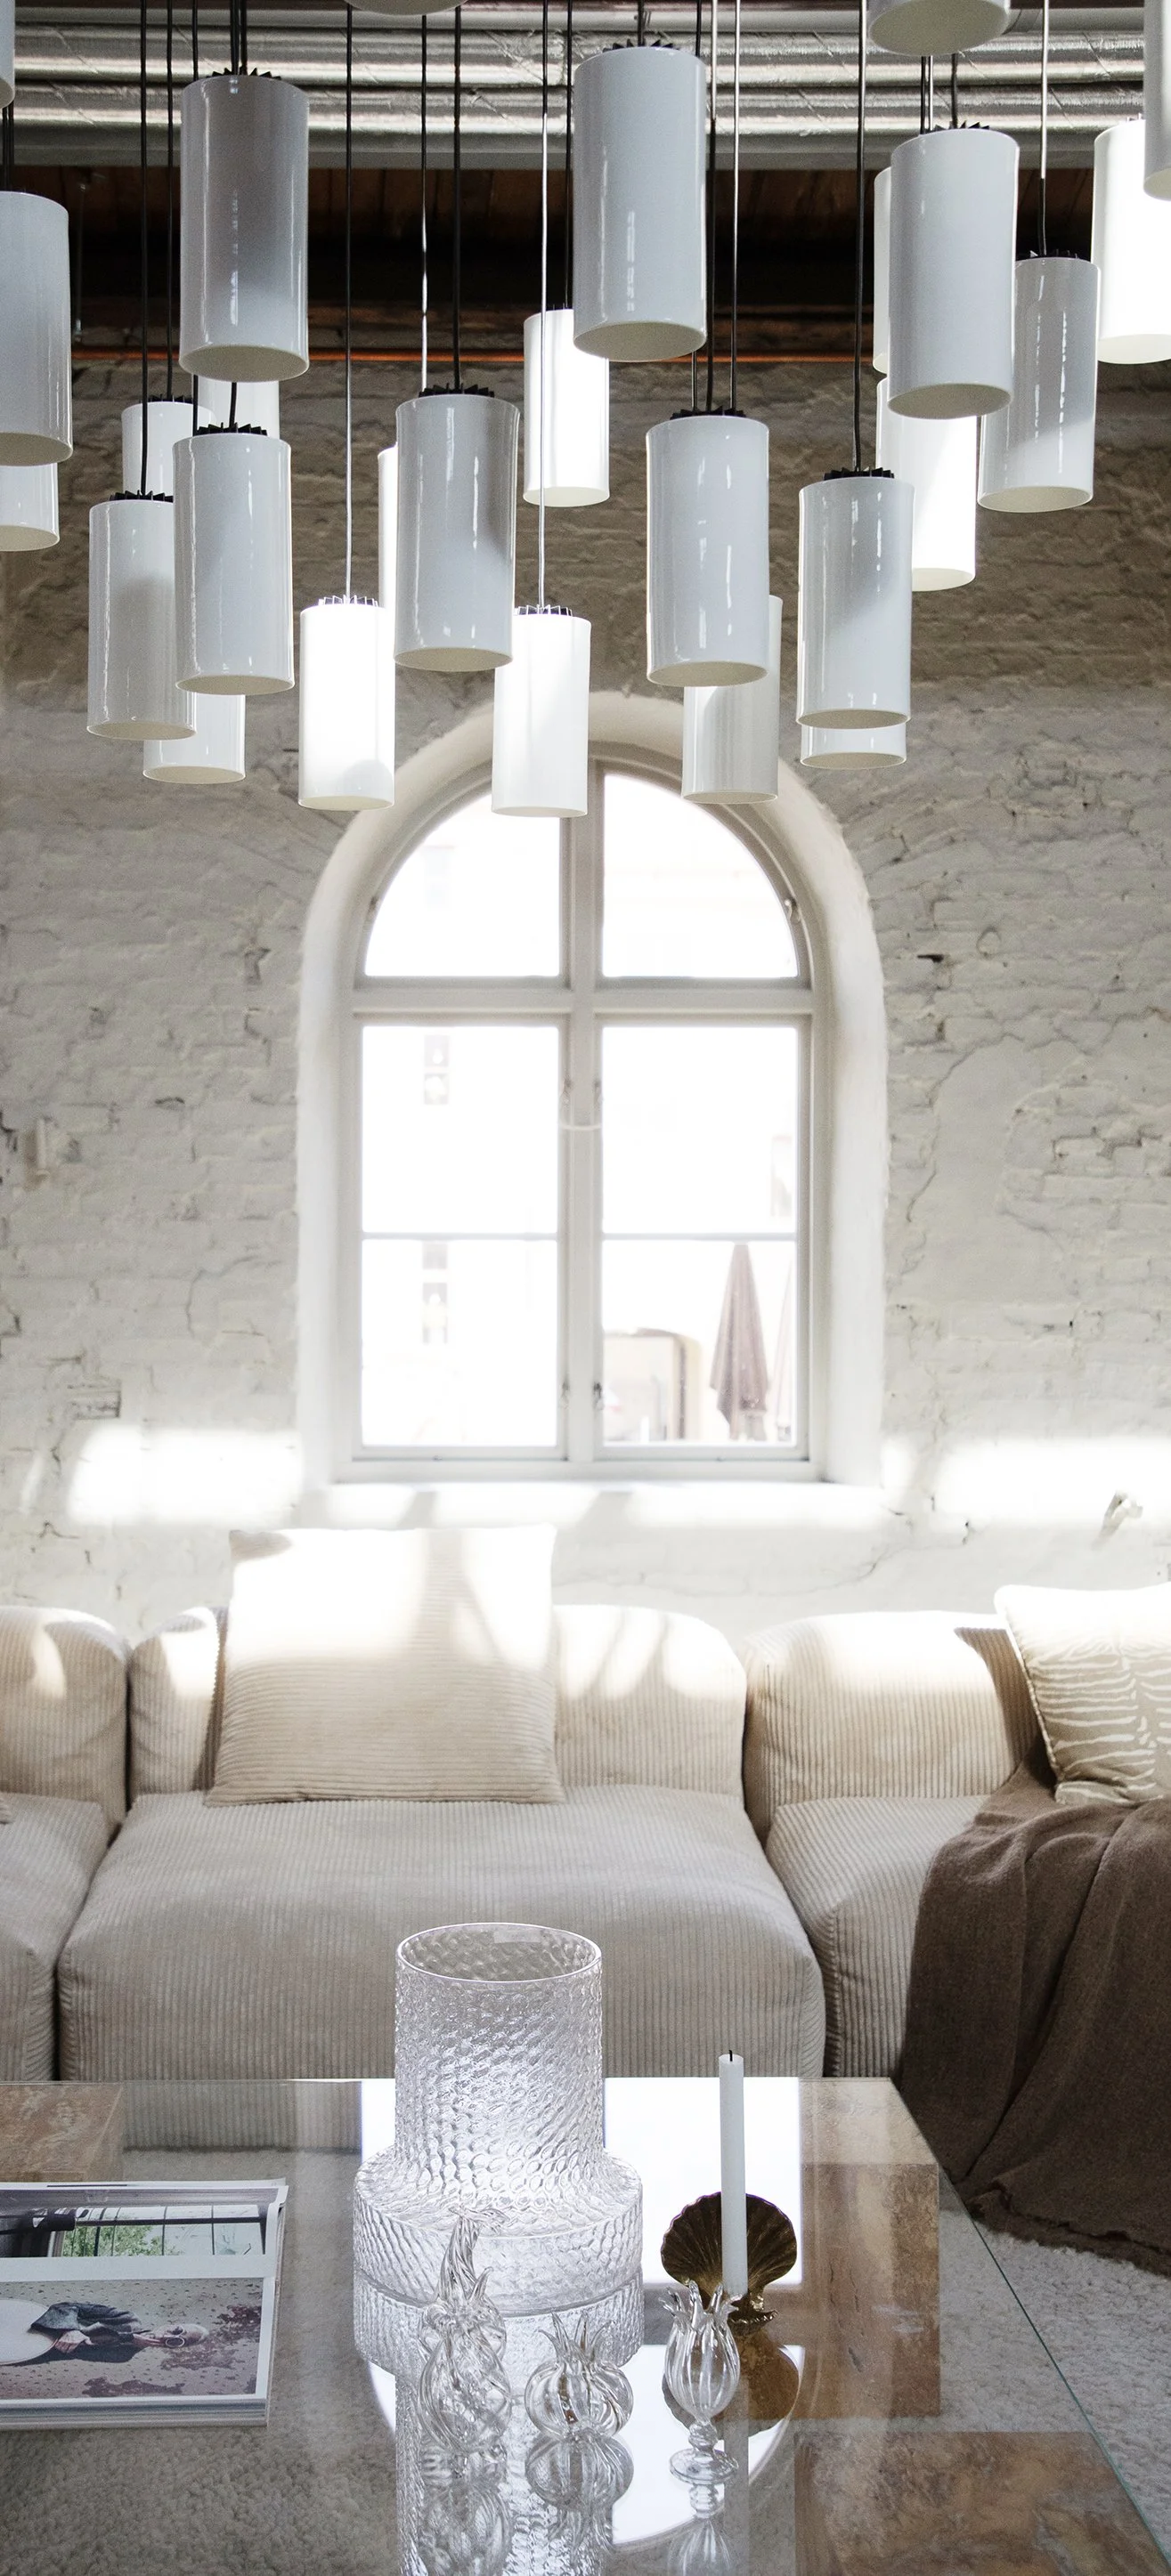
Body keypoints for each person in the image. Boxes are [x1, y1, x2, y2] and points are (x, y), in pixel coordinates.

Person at [0, 2299, 207, 2366]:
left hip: (32, 2351)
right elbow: (67, 2306)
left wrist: (129, 2339)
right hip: (26, 2324)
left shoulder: (123, 2355)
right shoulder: (127, 2318)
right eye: (177, 2330)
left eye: (179, 2341)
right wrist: (71, 2329)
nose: (169, 2336)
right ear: (172, 2323)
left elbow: (85, 2347)